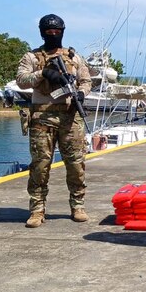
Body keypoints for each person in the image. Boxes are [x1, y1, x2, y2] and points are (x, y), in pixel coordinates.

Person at [16, 14, 92, 228]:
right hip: (42, 118)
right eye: (48, 33)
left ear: (62, 32)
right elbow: (21, 80)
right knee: (40, 166)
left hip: (70, 117)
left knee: (76, 165)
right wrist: (44, 74)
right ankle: (37, 210)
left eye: (56, 32)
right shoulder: (31, 57)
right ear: (42, 32)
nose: (53, 35)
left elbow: (86, 81)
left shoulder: (73, 57)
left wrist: (82, 94)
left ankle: (78, 205)